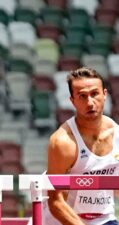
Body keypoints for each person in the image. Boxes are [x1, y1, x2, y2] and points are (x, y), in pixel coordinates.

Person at [43, 67, 119, 225]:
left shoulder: (117, 135)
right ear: (72, 101)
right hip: (63, 221)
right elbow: (56, 202)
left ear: (105, 94)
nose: (90, 103)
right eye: (82, 96)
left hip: (104, 219)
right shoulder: (62, 142)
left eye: (94, 94)